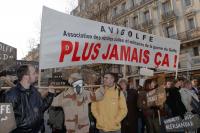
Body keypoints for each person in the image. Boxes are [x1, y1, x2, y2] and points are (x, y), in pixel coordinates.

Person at [5, 64, 55, 133]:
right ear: (26, 77)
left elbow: (40, 109)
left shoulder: (34, 91)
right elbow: (5, 122)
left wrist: (50, 95)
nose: (36, 75)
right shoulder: (11, 94)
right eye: (34, 73)